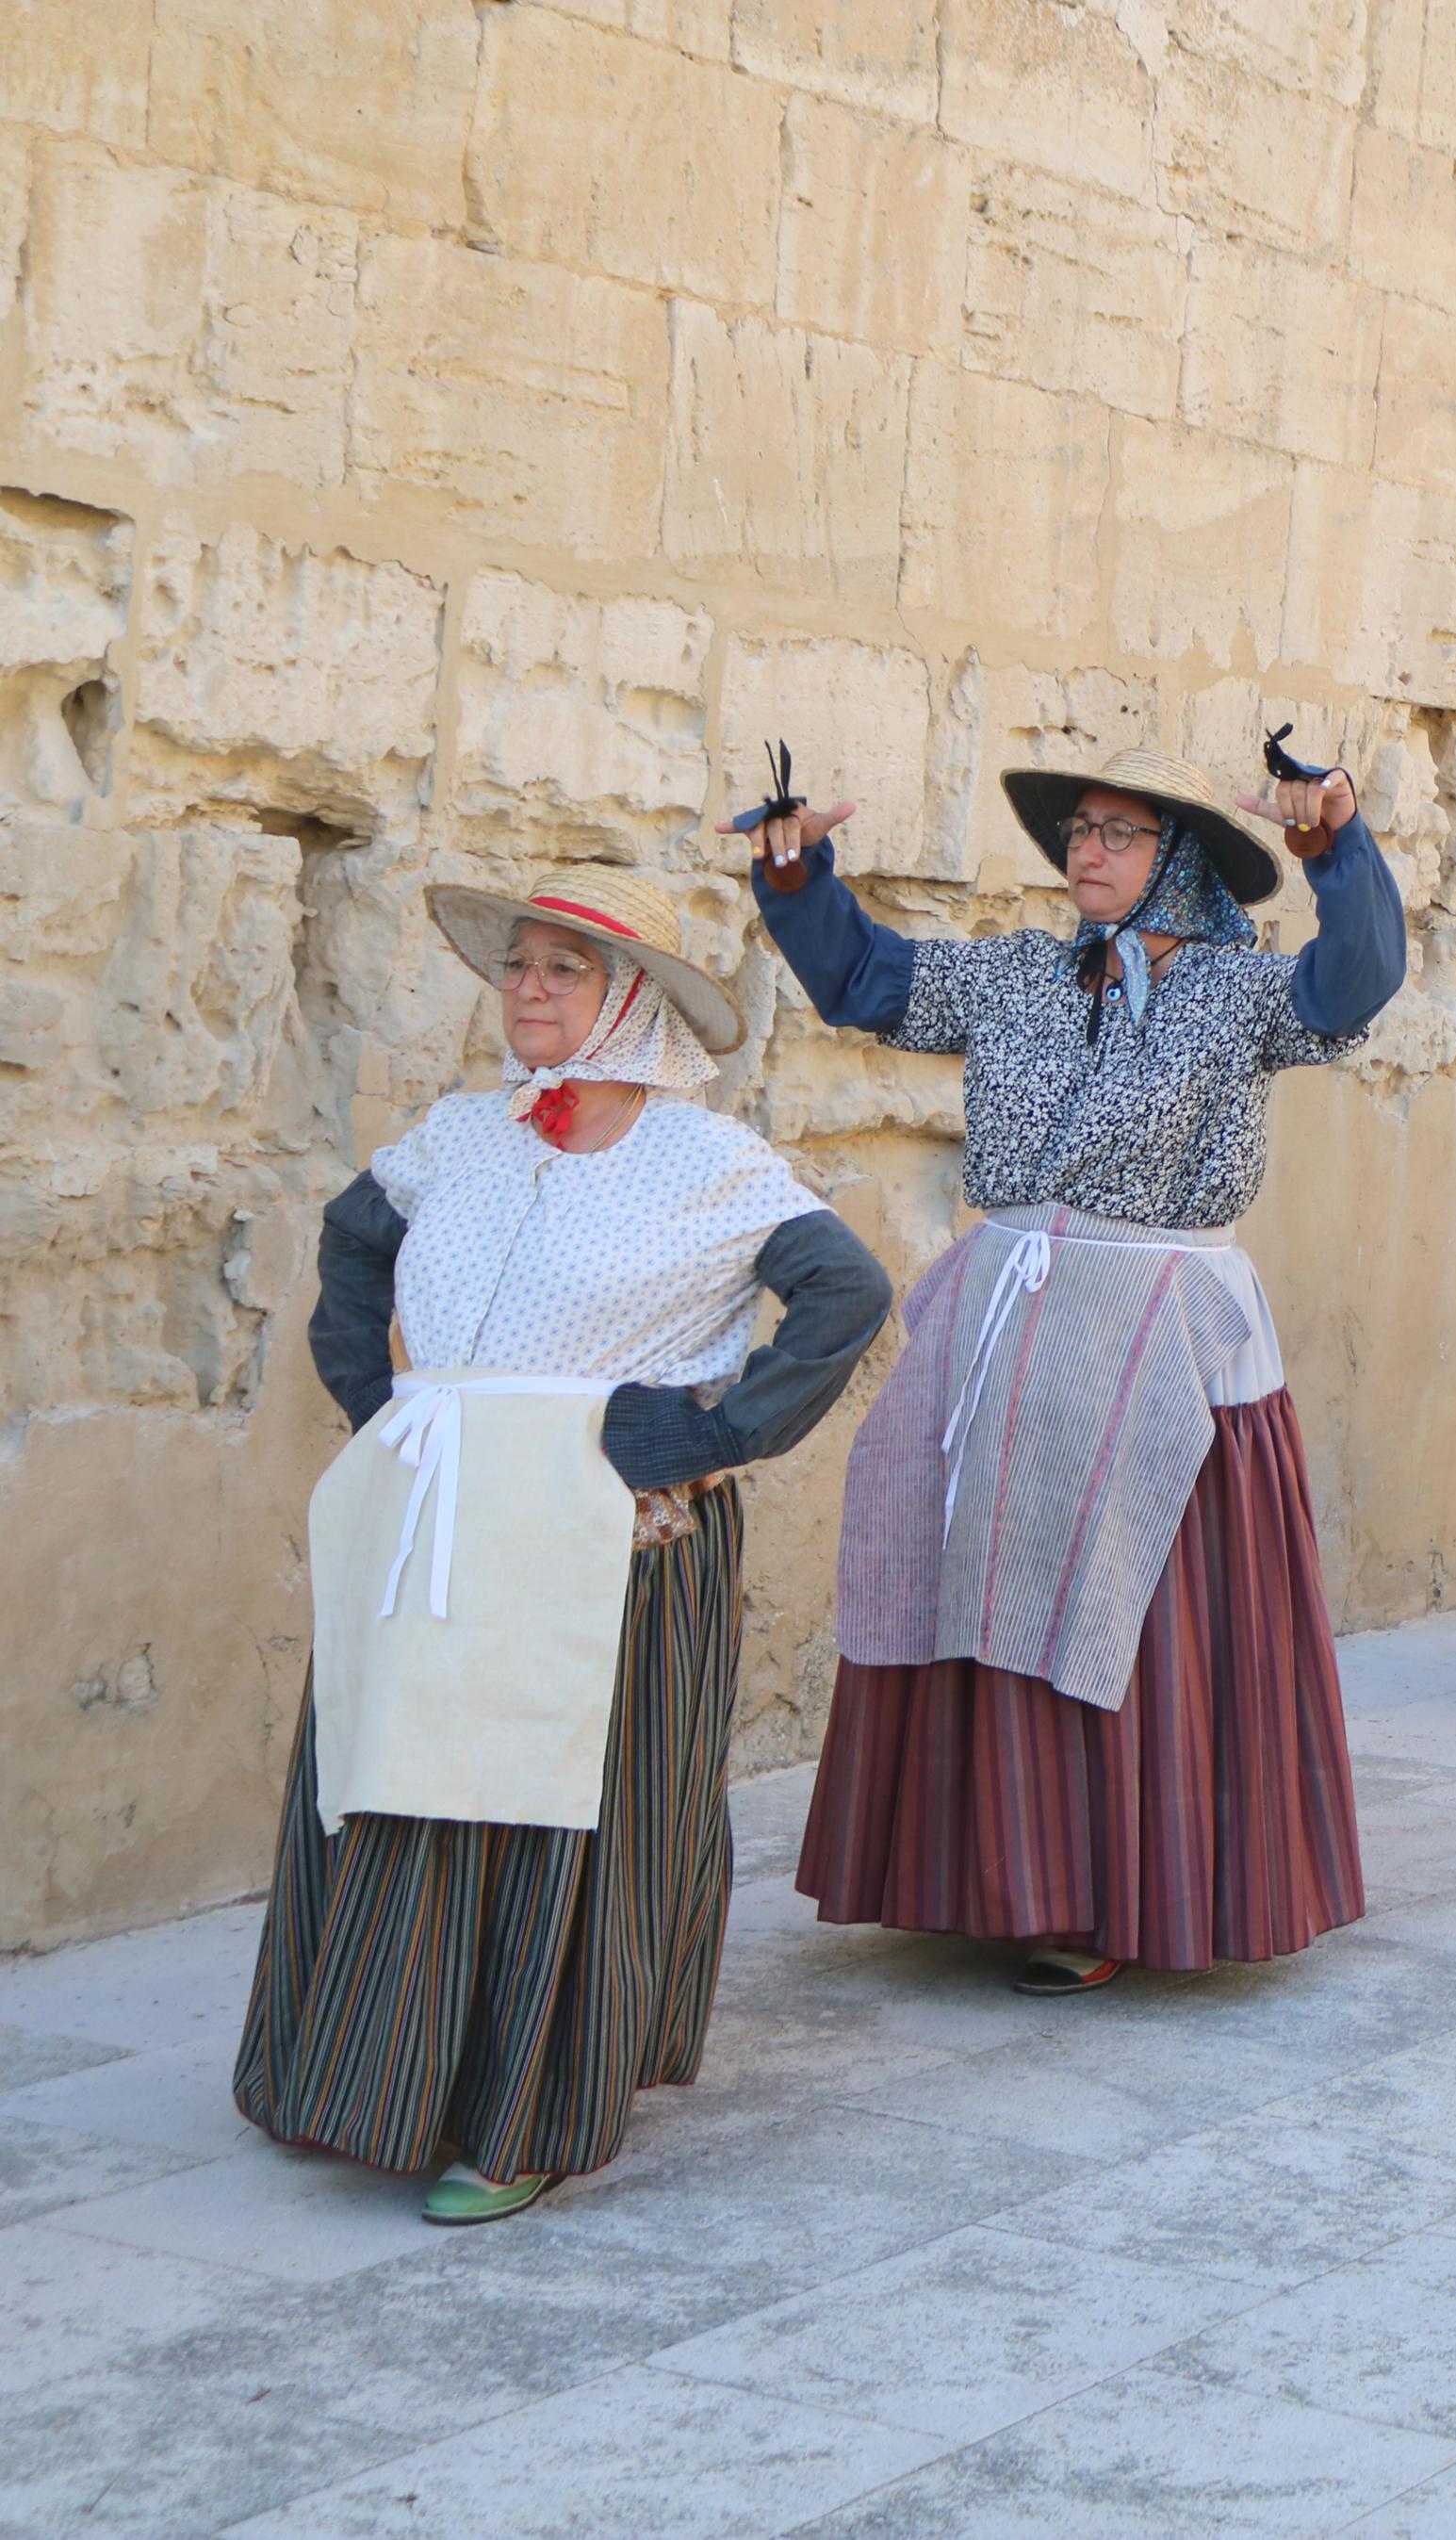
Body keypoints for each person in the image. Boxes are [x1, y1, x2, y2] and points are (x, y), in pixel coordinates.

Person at [240, 869, 892, 2223]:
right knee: (399, 1770)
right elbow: (351, 1248)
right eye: (521, 965)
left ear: (632, 1001)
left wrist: (702, 1434)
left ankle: (525, 2112)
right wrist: (379, 1403)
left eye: (564, 971)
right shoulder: (459, 1134)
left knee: (549, 1796)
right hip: (444, 1510)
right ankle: (365, 2076)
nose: (527, 990)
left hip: (613, 1534)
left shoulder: (705, 1161)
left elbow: (846, 1292)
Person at [762, 744, 1407, 1996]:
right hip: (1010, 1319)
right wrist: (797, 875)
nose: (1086, 854)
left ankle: (1111, 1887)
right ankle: (984, 1876)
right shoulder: (1014, 973)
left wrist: (1335, 843)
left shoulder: (1240, 993)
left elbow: (1357, 980)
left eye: (1116, 833)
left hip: (1160, 1324)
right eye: (1078, 833)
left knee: (1133, 1607)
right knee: (983, 1575)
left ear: (1177, 861)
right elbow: (858, 978)